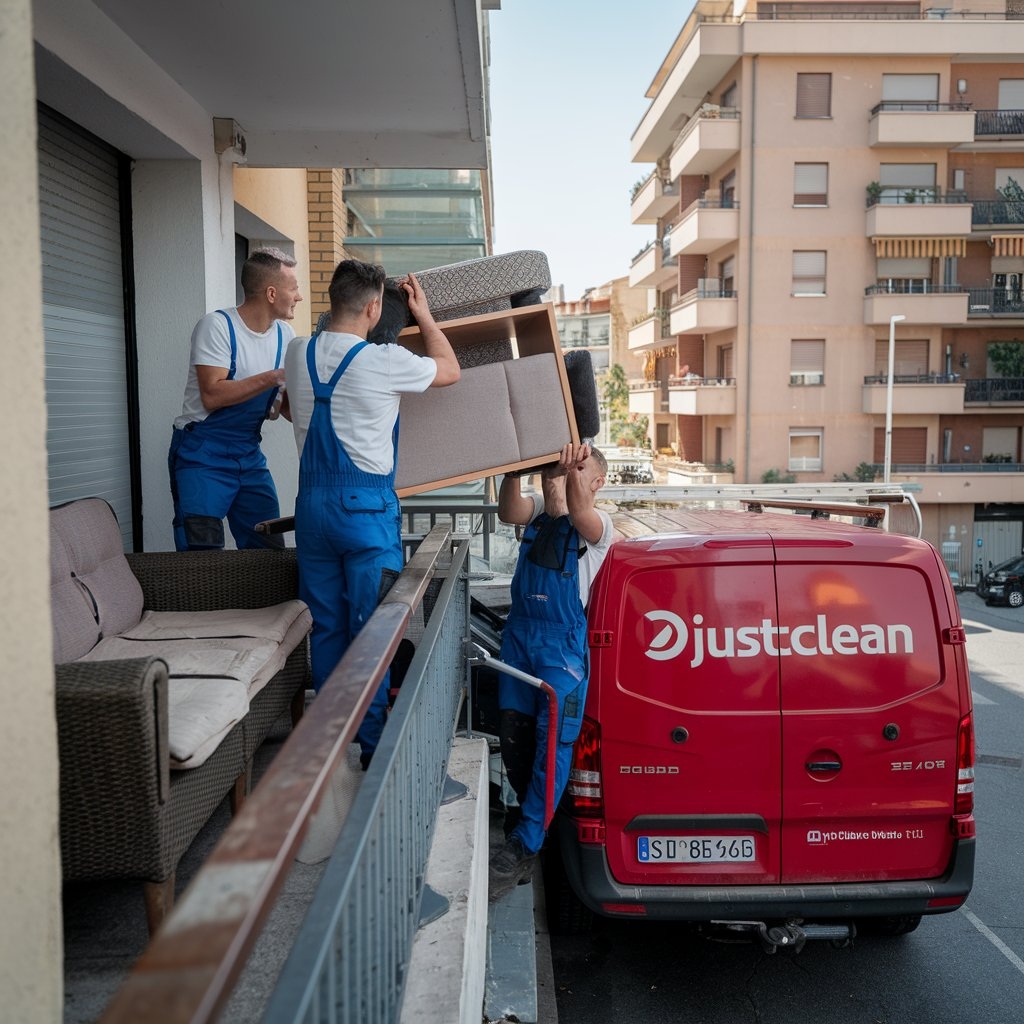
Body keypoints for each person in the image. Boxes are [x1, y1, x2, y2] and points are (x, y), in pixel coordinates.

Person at [285, 259, 461, 768]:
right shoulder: (383, 360)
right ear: (373, 307)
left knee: (327, 629)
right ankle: (374, 749)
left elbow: (295, 410)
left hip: (312, 510)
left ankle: (331, 745)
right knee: (373, 631)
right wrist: (425, 317)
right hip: (364, 512)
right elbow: (449, 370)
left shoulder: (299, 352)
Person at [489, 442, 616, 901]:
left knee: (551, 749)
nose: (566, 469)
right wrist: (514, 467)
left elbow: (576, 510)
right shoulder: (541, 509)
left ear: (598, 481)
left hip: (561, 651)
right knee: (514, 737)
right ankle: (525, 821)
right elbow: (509, 510)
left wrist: (569, 473)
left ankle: (525, 844)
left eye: (581, 467)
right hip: (520, 638)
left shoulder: (599, 530)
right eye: (564, 463)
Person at [169, 246, 302, 551]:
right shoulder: (217, 326)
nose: (299, 296)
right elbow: (212, 394)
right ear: (271, 293)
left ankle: (268, 602)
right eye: (293, 288)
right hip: (202, 452)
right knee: (200, 550)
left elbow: (285, 408)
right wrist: (273, 377)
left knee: (267, 544)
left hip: (248, 452)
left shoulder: (286, 336)